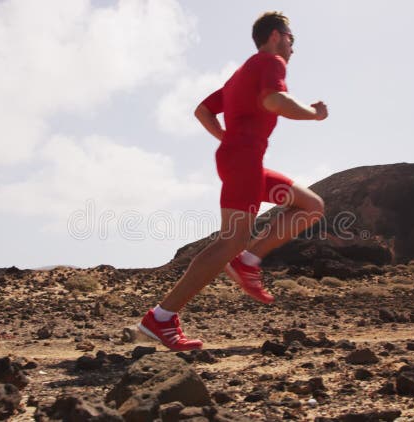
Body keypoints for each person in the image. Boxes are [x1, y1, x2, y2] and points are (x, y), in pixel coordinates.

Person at [138, 11, 328, 351]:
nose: (292, 48)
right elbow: (275, 100)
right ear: (274, 36)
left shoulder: (240, 77)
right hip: (243, 162)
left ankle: (249, 260)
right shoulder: (270, 62)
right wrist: (314, 114)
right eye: (291, 39)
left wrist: (226, 138)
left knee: (310, 205)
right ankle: (162, 317)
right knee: (230, 241)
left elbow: (202, 110)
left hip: (243, 161)